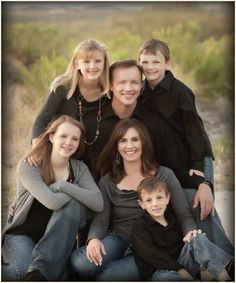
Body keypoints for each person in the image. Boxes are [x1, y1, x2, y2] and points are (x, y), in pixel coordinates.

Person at [69, 118, 199, 281]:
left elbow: (184, 214)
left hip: (154, 241)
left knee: (107, 276)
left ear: (143, 142)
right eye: (123, 140)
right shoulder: (107, 181)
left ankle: (156, 268)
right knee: (79, 263)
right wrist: (93, 239)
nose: (129, 146)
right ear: (116, 146)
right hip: (120, 238)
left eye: (135, 139)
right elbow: (101, 220)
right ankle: (150, 270)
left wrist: (191, 234)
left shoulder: (164, 174)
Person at [2, 115, 103, 281]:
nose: (69, 142)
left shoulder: (79, 168)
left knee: (73, 205)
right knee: (20, 274)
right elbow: (51, 202)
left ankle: (40, 273)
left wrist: (62, 186)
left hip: (57, 243)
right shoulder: (30, 165)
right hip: (23, 234)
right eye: (63, 136)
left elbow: (98, 203)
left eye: (75, 139)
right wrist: (78, 192)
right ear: (51, 137)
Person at [30, 39, 111, 176]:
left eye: (97, 61)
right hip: (62, 155)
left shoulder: (109, 92)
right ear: (77, 64)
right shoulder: (63, 88)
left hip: (94, 161)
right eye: (86, 61)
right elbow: (42, 120)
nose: (92, 66)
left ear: (104, 63)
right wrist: (38, 150)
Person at [132, 177, 234, 281]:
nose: (155, 204)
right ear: (142, 204)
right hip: (158, 271)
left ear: (167, 198)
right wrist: (179, 269)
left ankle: (223, 276)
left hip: (182, 264)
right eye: (149, 200)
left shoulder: (172, 219)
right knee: (171, 278)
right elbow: (150, 254)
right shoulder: (139, 226)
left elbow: (184, 246)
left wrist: (191, 239)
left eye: (159, 198)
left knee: (197, 237)